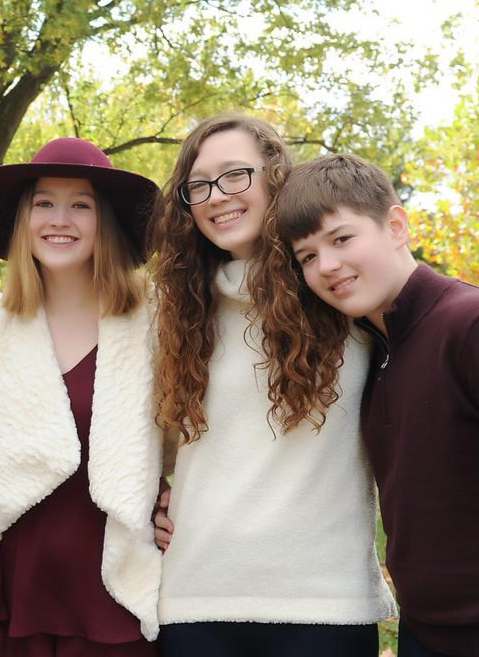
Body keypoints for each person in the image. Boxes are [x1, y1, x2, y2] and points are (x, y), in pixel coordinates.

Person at [148, 116, 394, 656]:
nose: (217, 195)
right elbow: (144, 442)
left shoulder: (342, 292)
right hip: (197, 598)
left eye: (235, 174)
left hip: (326, 603)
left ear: (276, 177)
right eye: (198, 185)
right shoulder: (172, 311)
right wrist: (149, 502)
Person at [0, 137, 163, 656]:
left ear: (105, 223)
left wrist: (176, 495)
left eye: (81, 205)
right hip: (22, 583)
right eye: (44, 203)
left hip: (116, 584)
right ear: (24, 219)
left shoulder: (153, 320)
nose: (60, 220)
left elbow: (189, 435)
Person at [277, 153, 479, 657]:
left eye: (342, 239)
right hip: (423, 633)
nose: (326, 265)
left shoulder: (466, 324)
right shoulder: (374, 351)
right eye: (307, 256)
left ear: (396, 226)